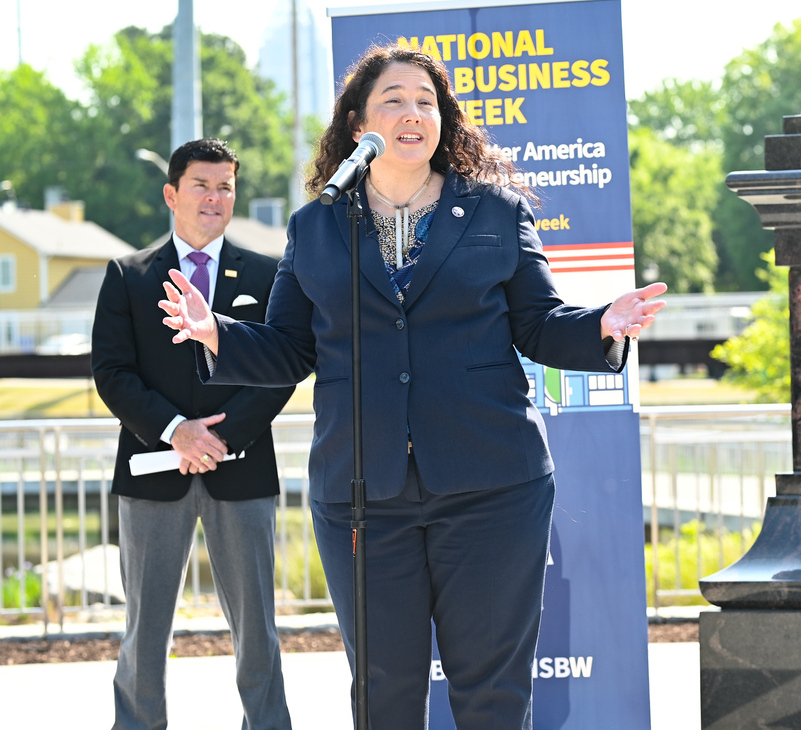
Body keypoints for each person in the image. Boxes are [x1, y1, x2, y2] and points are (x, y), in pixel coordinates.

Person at [158, 45, 665, 729]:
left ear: (444, 119)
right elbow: (289, 348)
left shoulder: (495, 211)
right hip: (364, 494)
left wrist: (602, 324)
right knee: (382, 693)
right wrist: (216, 332)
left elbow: (540, 326)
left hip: (492, 488)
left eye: (426, 100)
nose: (412, 112)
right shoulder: (318, 225)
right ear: (358, 125)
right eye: (393, 100)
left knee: (491, 692)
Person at [92, 138, 295, 730]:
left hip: (244, 469)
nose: (214, 197)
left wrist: (220, 441)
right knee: (144, 629)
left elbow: (280, 369)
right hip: (153, 474)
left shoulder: (268, 272)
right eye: (202, 185)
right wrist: (177, 431)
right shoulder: (127, 275)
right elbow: (112, 373)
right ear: (171, 193)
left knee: (258, 628)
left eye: (226, 186)